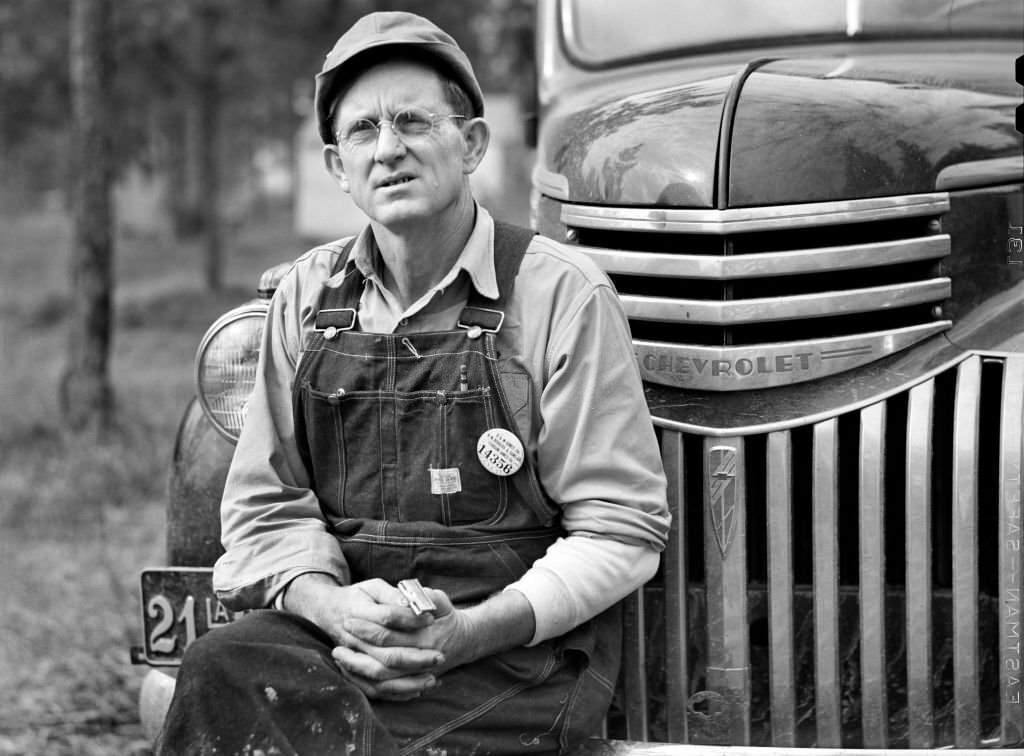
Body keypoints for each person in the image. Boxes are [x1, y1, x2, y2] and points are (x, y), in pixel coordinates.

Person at [157, 11, 669, 756]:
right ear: (338, 167)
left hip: (510, 657)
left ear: (472, 144)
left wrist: (463, 633)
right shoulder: (306, 298)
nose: (389, 148)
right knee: (216, 668)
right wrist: (331, 609)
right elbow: (264, 512)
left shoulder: (560, 294)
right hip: (346, 643)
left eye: (413, 121)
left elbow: (620, 529)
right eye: (363, 130)